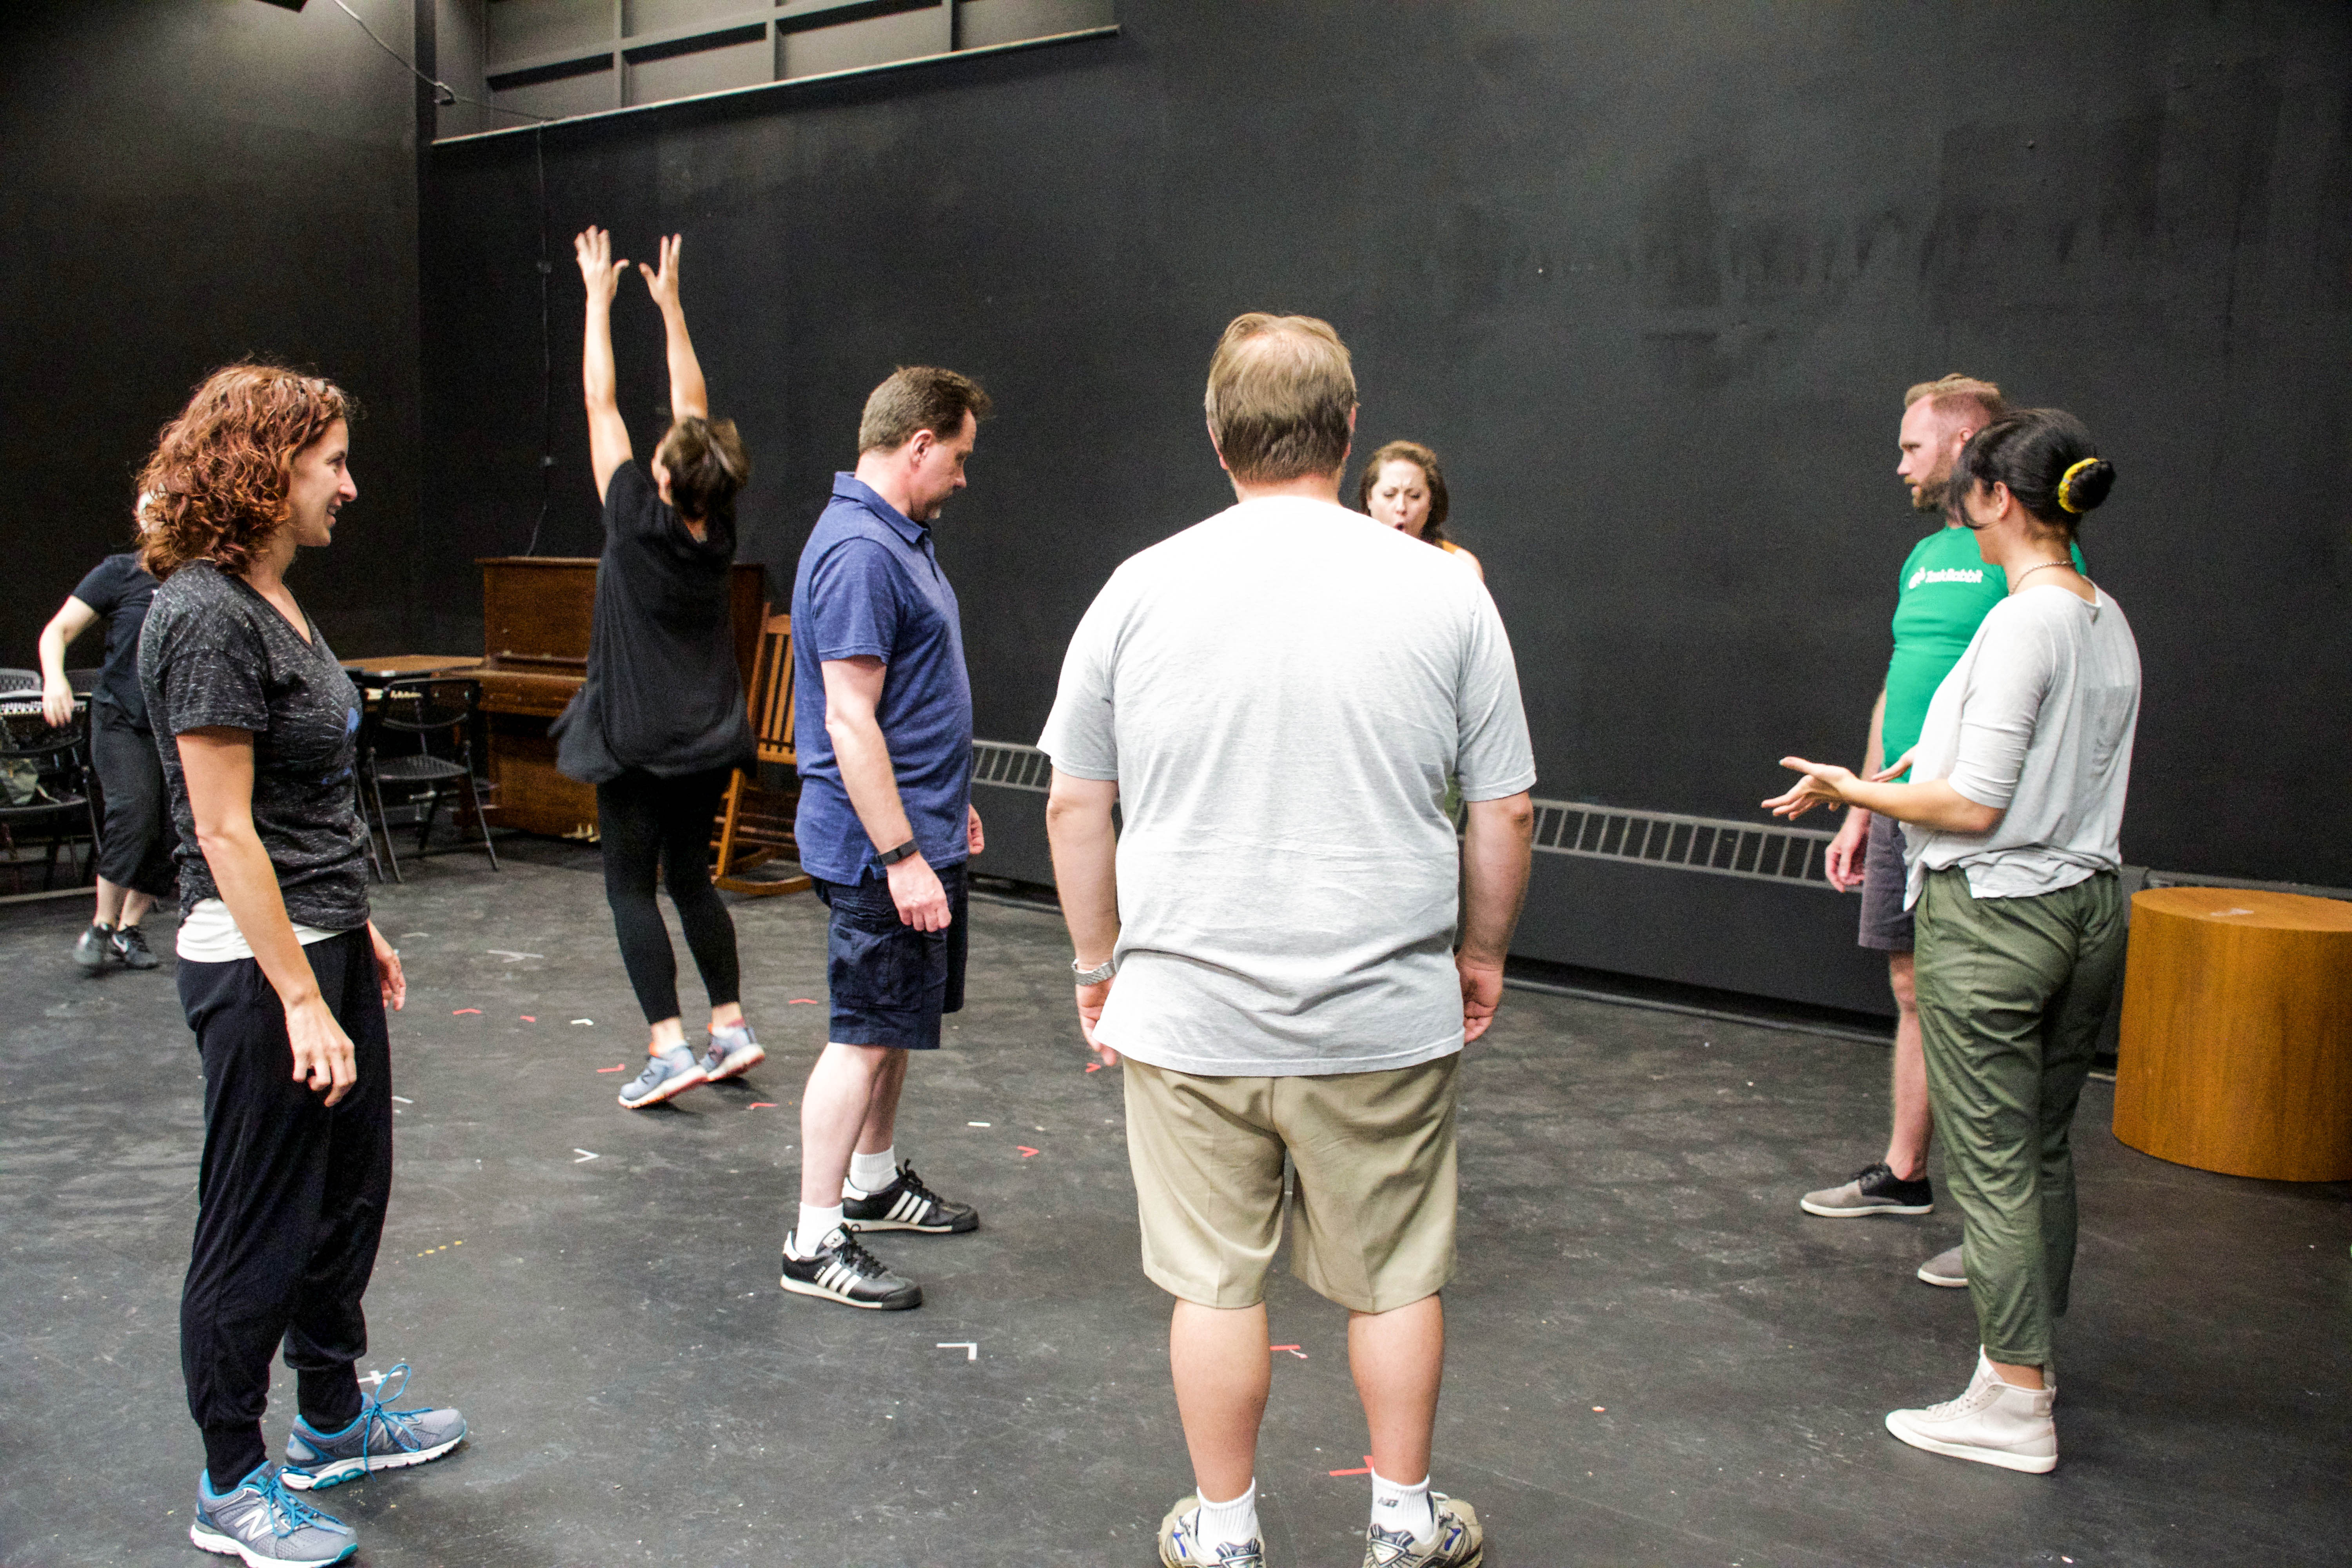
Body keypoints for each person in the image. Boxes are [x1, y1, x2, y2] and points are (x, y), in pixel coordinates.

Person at [1042, 313, 1537, 1568]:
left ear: (1215, 436)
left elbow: (1072, 802)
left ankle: (1219, 1534)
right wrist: (1478, 954)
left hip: (1188, 1014)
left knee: (1212, 1285)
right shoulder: (1444, 591)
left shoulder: (1135, 588)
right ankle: (1401, 1521)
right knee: (1393, 1275)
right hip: (1380, 1012)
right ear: (1348, 427)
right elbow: (1506, 807)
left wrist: (1098, 966)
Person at [138, 363, 465, 1567]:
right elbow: (223, 829)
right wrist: (291, 994)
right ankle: (230, 1479)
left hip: (317, 936)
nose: (350, 483)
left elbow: (300, 803)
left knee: (345, 1202)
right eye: (332, 461)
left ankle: (331, 1416)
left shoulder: (273, 596)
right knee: (257, 1228)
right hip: (255, 969)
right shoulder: (205, 613)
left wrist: (352, 919)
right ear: (268, 469)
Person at [1767, 408, 2136, 1474]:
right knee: (2043, 1149)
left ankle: (2015, 1402)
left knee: (1999, 1169)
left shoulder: (2027, 623)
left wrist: (1857, 789)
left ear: (1998, 500)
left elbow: (1973, 806)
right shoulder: (2103, 615)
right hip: (2086, 908)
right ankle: (2026, 1364)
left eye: (1965, 489)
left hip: (2003, 915)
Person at [1801, 375, 2080, 1294]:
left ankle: (1995, 1224)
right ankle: (1906, 1176)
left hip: (1974, 816)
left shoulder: (2028, 556)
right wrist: (1861, 803)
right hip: (1901, 809)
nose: (1900, 464)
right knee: (1913, 985)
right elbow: (1901, 680)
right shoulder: (1924, 557)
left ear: (1966, 450)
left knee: (1979, 1010)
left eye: (1914, 446)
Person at [778, 364, 994, 1311]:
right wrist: (903, 852)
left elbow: (907, 701)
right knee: (864, 1034)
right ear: (918, 444)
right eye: (958, 455)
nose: (962, 474)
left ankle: (871, 1184)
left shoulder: (900, 537)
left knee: (894, 1025)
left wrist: (948, 809)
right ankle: (812, 1237)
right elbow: (850, 721)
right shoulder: (863, 551)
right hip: (879, 849)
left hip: (915, 824)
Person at [554, 227, 764, 1112]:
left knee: (630, 889)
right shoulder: (718, 529)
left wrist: (599, 302)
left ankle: (670, 1047)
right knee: (691, 878)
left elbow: (601, 403)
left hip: (639, 740)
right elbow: (693, 409)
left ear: (667, 480)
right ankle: (732, 1027)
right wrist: (672, 307)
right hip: (709, 736)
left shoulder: (634, 514)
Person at [37, 526, 176, 971]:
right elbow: (57, 631)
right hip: (121, 719)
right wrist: (54, 679)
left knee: (173, 832)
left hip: (174, 725)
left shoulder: (199, 577)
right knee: (133, 813)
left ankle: (127, 928)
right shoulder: (120, 573)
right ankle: (102, 924)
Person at [1357, 439, 1481, 579]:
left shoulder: (1460, 567)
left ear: (1431, 502)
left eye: (1414, 496)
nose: (1401, 507)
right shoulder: (1347, 560)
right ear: (1369, 498)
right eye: (1389, 495)